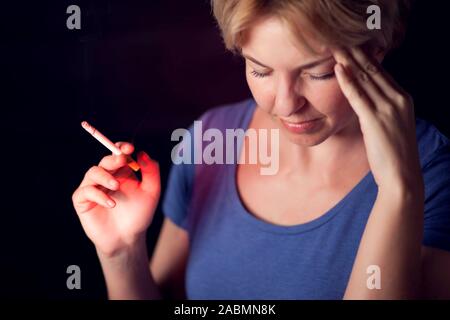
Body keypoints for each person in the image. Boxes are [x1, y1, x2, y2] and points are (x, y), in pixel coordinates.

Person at [72, 0, 450, 299]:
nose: (285, 104)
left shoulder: (432, 173)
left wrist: (399, 191)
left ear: (377, 46)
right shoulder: (210, 139)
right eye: (260, 69)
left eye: (317, 72)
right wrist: (121, 252)